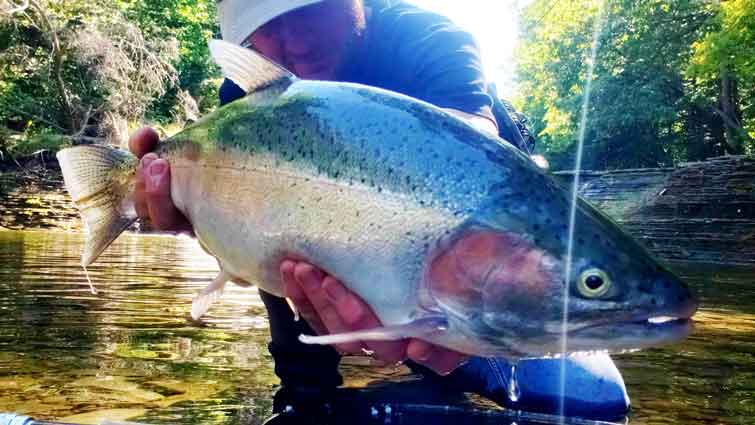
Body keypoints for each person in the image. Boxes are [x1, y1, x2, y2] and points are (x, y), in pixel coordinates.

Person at [129, 0, 629, 419]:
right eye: (264, 29)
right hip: (316, 287)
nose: (292, 42)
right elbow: (261, 222)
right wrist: (203, 224)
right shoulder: (245, 95)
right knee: (304, 407)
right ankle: (308, 392)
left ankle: (440, 373)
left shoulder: (429, 40)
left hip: (461, 296)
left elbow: (480, 164)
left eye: (309, 10)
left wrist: (464, 320)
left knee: (592, 402)